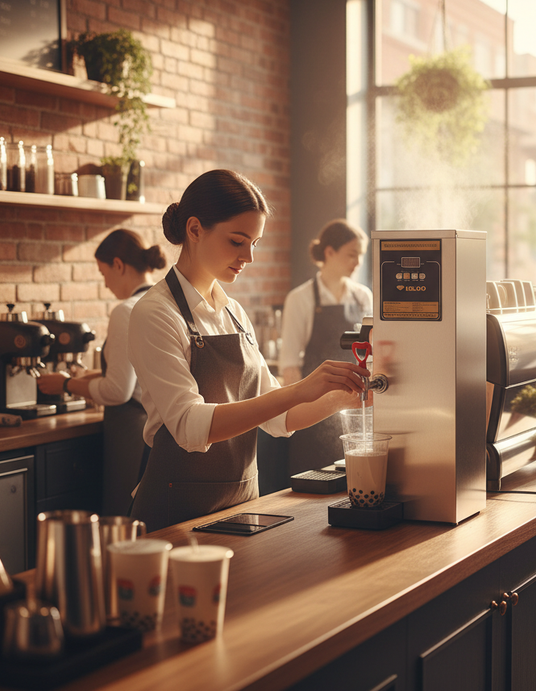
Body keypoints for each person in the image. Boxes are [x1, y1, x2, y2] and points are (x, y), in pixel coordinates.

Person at [128, 169, 368, 532]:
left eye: (254, 243)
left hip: (242, 509)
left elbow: (277, 417)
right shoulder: (155, 313)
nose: (249, 256)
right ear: (194, 229)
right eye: (238, 241)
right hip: (174, 516)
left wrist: (345, 396)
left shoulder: (234, 314)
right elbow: (190, 426)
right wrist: (298, 390)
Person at [37, 229, 166, 516]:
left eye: (103, 272)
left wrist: (66, 383)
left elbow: (118, 391)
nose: (105, 283)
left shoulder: (126, 310)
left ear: (118, 265)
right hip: (158, 430)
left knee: (121, 517)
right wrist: (90, 376)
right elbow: (138, 377)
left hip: (131, 433)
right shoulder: (163, 303)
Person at [269, 220, 373, 484]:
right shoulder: (300, 299)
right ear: (329, 252)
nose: (358, 262)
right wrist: (305, 412)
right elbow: (290, 366)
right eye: (352, 254)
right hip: (312, 412)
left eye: (361, 255)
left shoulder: (363, 297)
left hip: (354, 408)